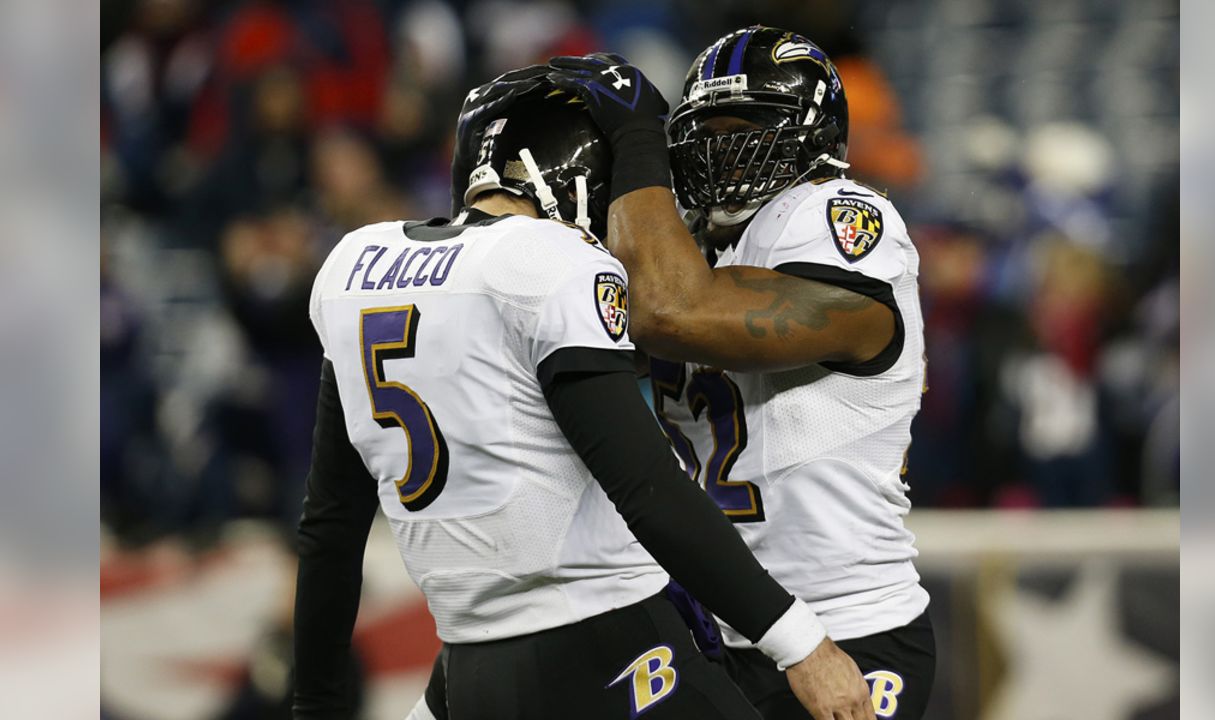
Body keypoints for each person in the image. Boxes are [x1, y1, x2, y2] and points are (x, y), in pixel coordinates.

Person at [292, 67, 876, 720]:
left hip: (469, 667)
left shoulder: (355, 267)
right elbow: (647, 489)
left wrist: (313, 707)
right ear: (571, 184)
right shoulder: (546, 264)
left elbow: (331, 528)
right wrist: (802, 645)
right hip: (609, 644)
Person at [546, 26, 935, 720]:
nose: (722, 151)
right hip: (718, 625)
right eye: (706, 132)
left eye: (744, 128)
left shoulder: (833, 216)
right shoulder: (691, 242)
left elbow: (673, 312)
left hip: (849, 628)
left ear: (811, 134)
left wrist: (635, 139)